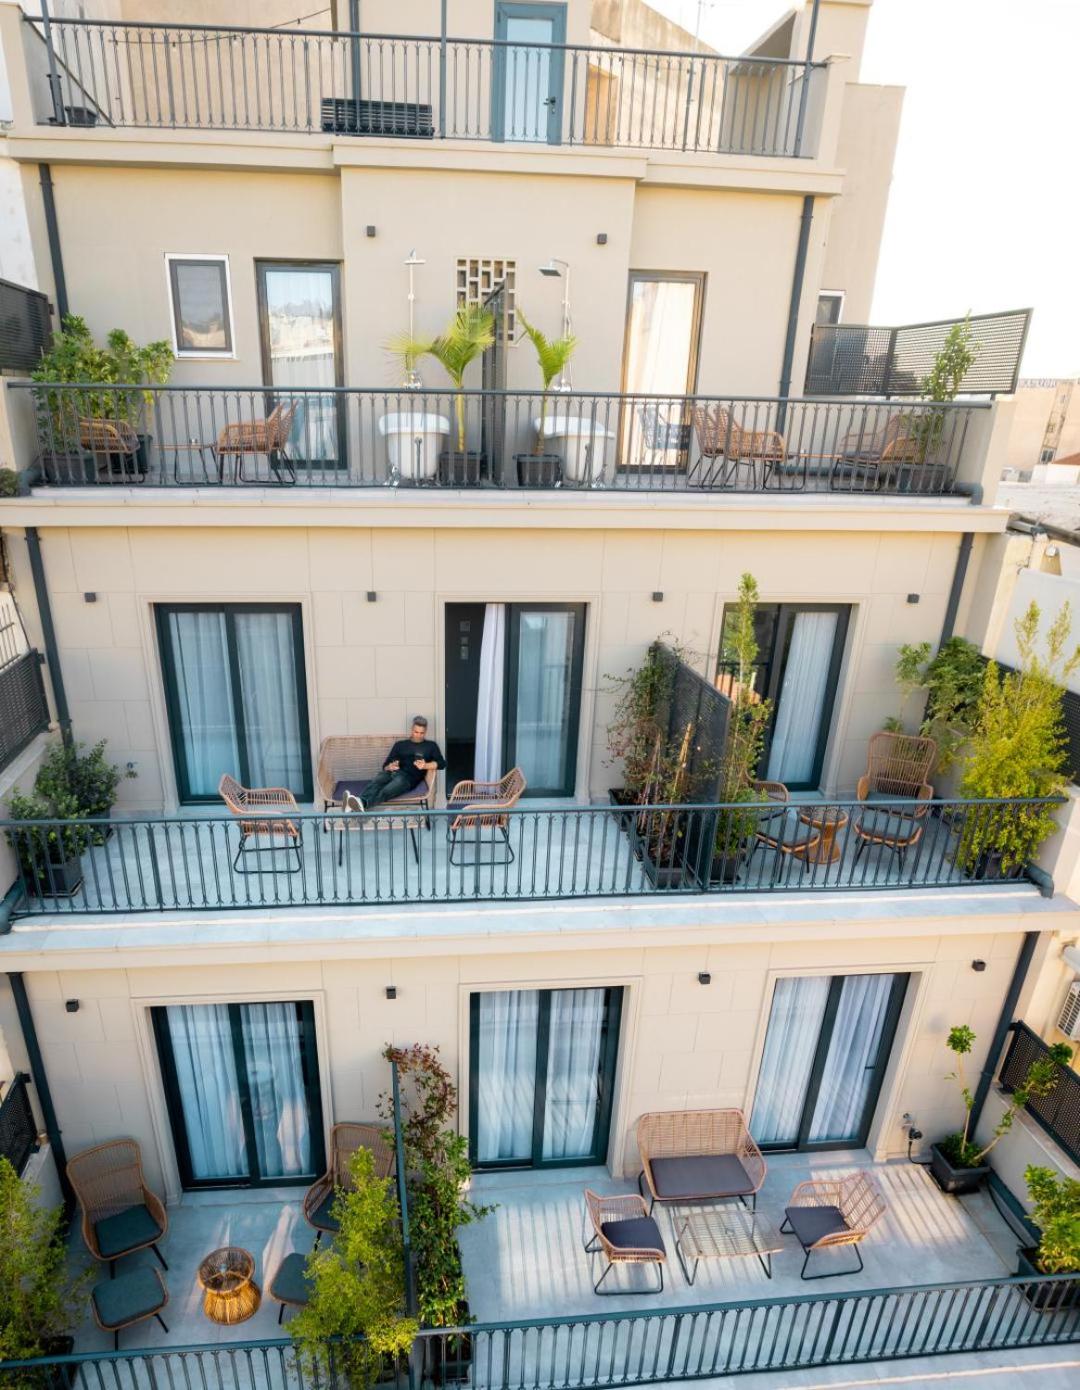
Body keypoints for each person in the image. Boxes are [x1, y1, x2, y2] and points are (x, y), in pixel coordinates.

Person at [343, 717, 445, 812]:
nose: (418, 735)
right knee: (377, 781)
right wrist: (390, 767)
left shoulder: (430, 746)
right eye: (416, 732)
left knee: (386, 791)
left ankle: (361, 803)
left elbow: (442, 763)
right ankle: (356, 804)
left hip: (408, 779)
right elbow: (385, 765)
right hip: (392, 772)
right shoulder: (400, 745)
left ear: (425, 732)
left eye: (422, 733)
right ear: (412, 730)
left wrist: (425, 765)